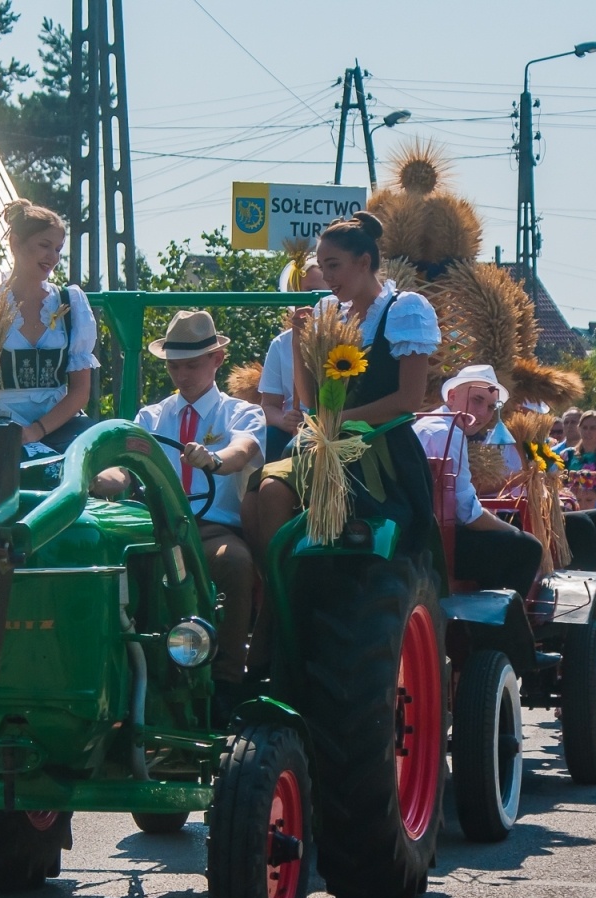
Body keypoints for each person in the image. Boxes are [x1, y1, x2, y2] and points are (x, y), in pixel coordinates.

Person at [248, 212, 436, 651]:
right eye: (323, 265)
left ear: (364, 261)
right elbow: (311, 402)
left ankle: (278, 620)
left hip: (380, 449)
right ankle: (278, 598)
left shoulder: (404, 309)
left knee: (274, 495)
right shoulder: (330, 312)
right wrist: (298, 343)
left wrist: (346, 422)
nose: (326, 276)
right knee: (252, 499)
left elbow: (409, 399)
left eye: (333, 265)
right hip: (328, 442)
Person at [92, 311, 264, 686]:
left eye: (190, 365)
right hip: (151, 531)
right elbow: (124, 470)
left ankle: (227, 681)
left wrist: (214, 460)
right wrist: (95, 478)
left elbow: (243, 450)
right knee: (100, 564)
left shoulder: (242, 413)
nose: (181, 376)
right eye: (173, 367)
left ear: (216, 359)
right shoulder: (151, 417)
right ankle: (117, 675)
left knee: (234, 563)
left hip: (211, 531)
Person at [0, 199, 99, 451]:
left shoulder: (71, 303)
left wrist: (37, 430)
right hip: (0, 424)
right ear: (15, 243)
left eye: (58, 249)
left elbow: (80, 392)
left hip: (59, 425)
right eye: (45, 246)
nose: (53, 257)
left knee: (110, 469)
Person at [413, 366, 544, 600]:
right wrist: (516, 532)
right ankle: (499, 631)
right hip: (439, 545)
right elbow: (467, 514)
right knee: (529, 548)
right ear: (452, 396)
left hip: (423, 535)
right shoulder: (449, 431)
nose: (483, 413)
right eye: (477, 400)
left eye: (491, 407)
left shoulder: (425, 424)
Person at [257, 257, 325, 462]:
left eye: (316, 293)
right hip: (293, 434)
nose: (308, 300)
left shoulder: (347, 337)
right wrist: (283, 420)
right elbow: (267, 406)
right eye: (300, 292)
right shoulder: (280, 344)